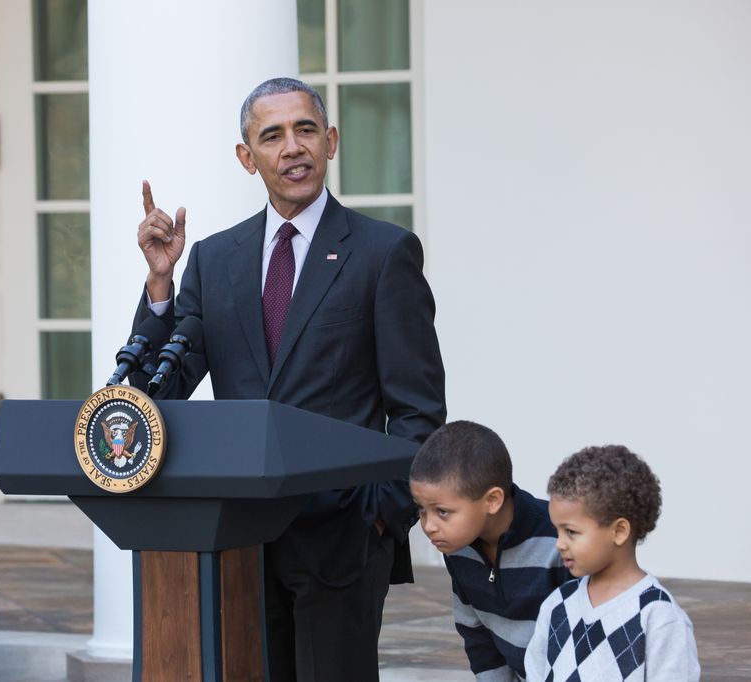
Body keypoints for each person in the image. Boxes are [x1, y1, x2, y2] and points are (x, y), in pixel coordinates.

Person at [129, 77, 446, 682]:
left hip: (343, 537)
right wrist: (161, 288)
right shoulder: (213, 259)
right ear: (248, 159)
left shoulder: (384, 253)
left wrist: (382, 516)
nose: (292, 147)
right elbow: (160, 393)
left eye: (305, 130)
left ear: (330, 141)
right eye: (271, 136)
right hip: (235, 541)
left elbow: (419, 409)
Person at [409, 421, 571, 681]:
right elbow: (476, 635)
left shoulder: (560, 541)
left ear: (492, 500)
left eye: (442, 512)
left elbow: (587, 641)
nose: (428, 526)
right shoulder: (457, 548)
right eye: (421, 509)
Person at [524, 445, 700, 681]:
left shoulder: (658, 617)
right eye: (558, 531)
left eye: (571, 532)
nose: (559, 544)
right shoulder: (558, 605)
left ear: (619, 531)